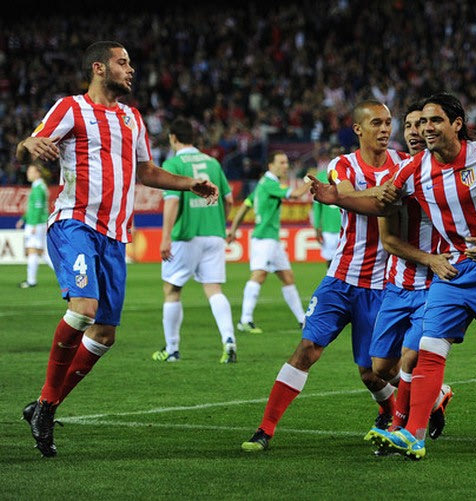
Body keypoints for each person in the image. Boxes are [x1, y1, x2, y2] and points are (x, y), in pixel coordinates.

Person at [313, 92, 476, 459]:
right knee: (430, 350)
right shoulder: (414, 169)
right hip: (451, 269)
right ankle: (414, 435)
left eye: (435, 120)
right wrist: (337, 198)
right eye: (421, 122)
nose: (426, 128)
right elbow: (381, 201)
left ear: (457, 124)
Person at [17, 41, 218, 458]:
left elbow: (146, 171)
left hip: (114, 235)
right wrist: (27, 146)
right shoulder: (70, 108)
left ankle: (44, 407)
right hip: (75, 222)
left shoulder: (132, 117)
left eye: (130, 63)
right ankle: (47, 407)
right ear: (99, 68)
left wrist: (189, 184)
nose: (131, 70)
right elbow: (28, 146)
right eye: (122, 62)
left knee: (104, 335)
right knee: (83, 310)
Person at [240, 100, 409, 452]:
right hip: (340, 278)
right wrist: (376, 193)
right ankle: (265, 430)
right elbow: (345, 197)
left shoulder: (405, 164)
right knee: (307, 349)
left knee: (371, 372)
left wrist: (365, 196)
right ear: (358, 129)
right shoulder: (342, 164)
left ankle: (399, 410)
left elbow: (354, 200)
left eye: (388, 122)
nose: (384, 129)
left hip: (381, 286)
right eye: (376, 123)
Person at [366, 102, 476, 449]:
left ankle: (404, 428)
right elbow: (383, 226)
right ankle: (427, 407)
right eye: (411, 125)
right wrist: (337, 196)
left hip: (442, 275)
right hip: (400, 283)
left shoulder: (468, 168)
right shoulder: (402, 176)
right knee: (380, 367)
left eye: (424, 123)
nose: (417, 130)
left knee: (421, 355)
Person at [151, 117, 236, 364]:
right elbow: (229, 200)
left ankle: (172, 349)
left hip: (186, 236)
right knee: (214, 289)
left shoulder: (173, 164)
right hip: (214, 234)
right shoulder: (213, 162)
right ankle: (229, 340)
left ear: (173, 138)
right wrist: (219, 223)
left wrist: (165, 237)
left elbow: (172, 201)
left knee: (172, 290)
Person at [226, 151, 309, 333]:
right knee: (259, 275)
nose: (285, 166)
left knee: (287, 277)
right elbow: (295, 195)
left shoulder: (262, 184)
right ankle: (245, 319)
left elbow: (245, 206)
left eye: (286, 162)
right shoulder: (270, 183)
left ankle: (303, 320)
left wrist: (232, 230)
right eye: (281, 162)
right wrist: (311, 182)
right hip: (264, 238)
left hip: (272, 239)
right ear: (271, 165)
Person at [16, 162, 53, 288]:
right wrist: (23, 219)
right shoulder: (40, 186)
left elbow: (38, 208)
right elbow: (34, 208)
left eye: (30, 171)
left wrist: (35, 225)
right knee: (41, 252)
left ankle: (31, 281)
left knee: (34, 251)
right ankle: (31, 280)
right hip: (37, 222)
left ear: (38, 173)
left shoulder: (38, 188)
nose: (28, 174)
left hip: (36, 224)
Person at [311, 146, 342, 267]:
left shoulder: (350, 176)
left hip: (346, 227)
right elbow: (317, 206)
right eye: (334, 154)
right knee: (330, 262)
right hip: (328, 227)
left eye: (339, 154)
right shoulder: (321, 177)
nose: (337, 156)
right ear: (329, 157)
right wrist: (317, 226)